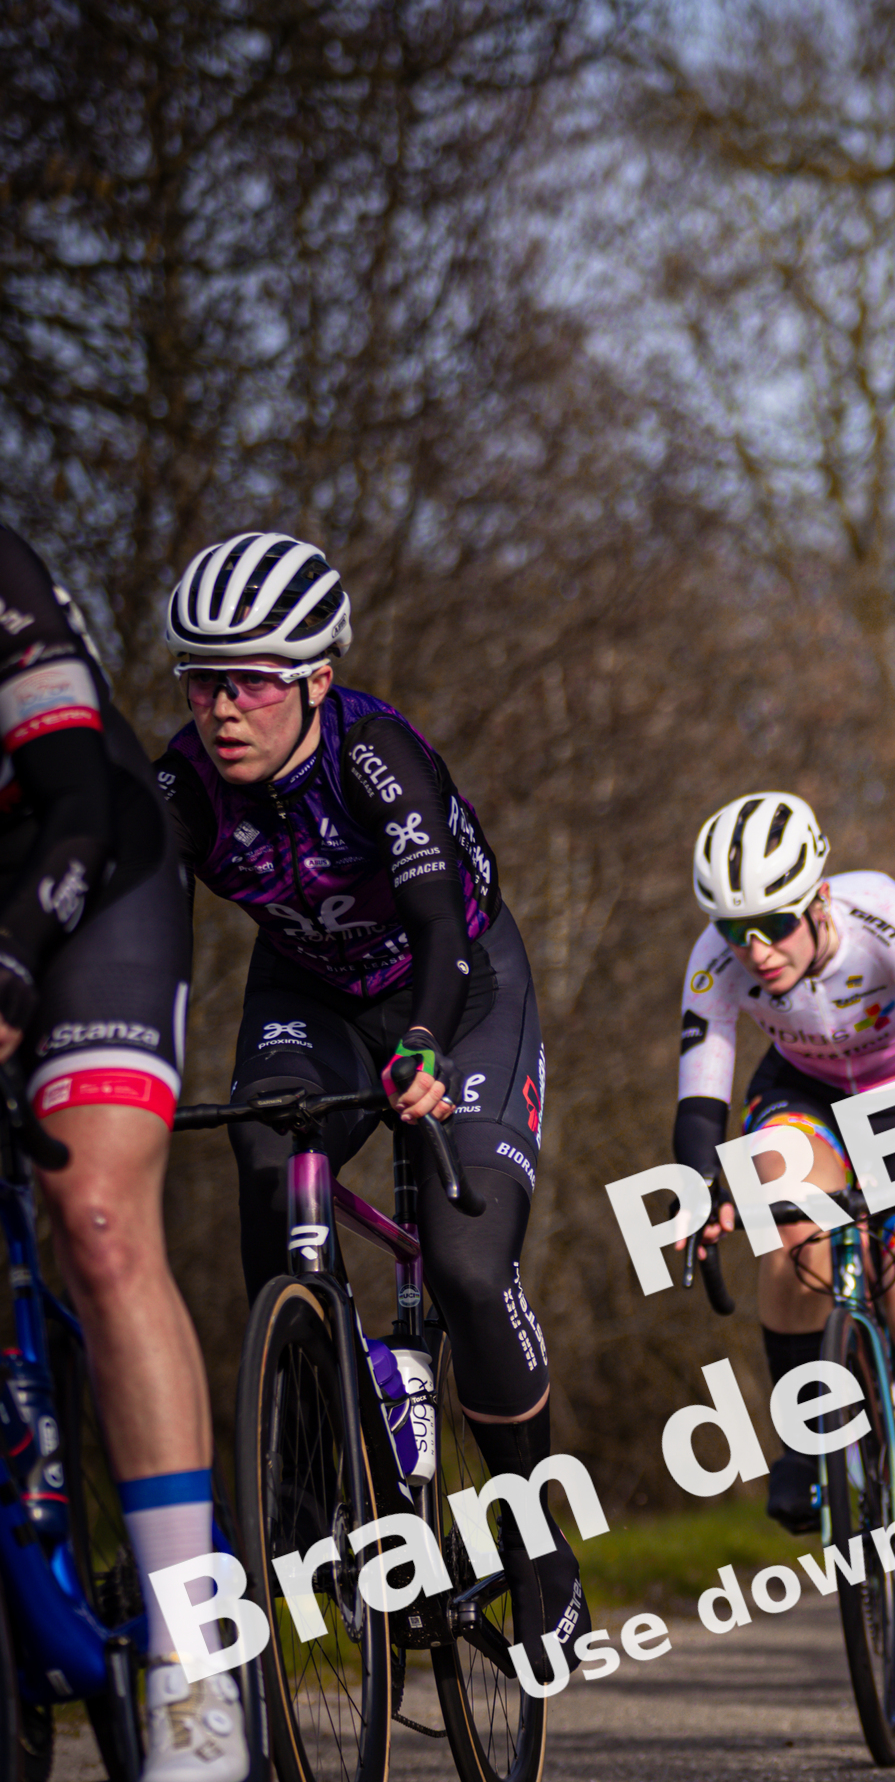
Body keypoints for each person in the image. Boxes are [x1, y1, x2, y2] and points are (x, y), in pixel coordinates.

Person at [156, 530, 588, 1674]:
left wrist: (427, 1047)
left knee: (463, 1262)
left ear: (315, 679)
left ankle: (542, 1550)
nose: (220, 709)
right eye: (201, 681)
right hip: (309, 991)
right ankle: (319, 1481)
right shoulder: (184, 784)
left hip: (458, 986)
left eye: (248, 681)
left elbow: (443, 927)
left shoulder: (376, 758)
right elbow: (129, 923)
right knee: (267, 1164)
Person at [672, 792, 895, 1644]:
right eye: (734, 929)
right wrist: (699, 1197)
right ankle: (806, 1436)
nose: (755, 950)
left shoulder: (888, 921)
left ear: (819, 899)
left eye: (774, 924)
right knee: (777, 1196)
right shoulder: (718, 961)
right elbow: (701, 1097)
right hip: (808, 1097)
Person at [0, 523, 234, 1782]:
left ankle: (191, 1653)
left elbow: (79, 799)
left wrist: (14, 973)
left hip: (83, 873)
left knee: (92, 1215)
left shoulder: (3, 581)